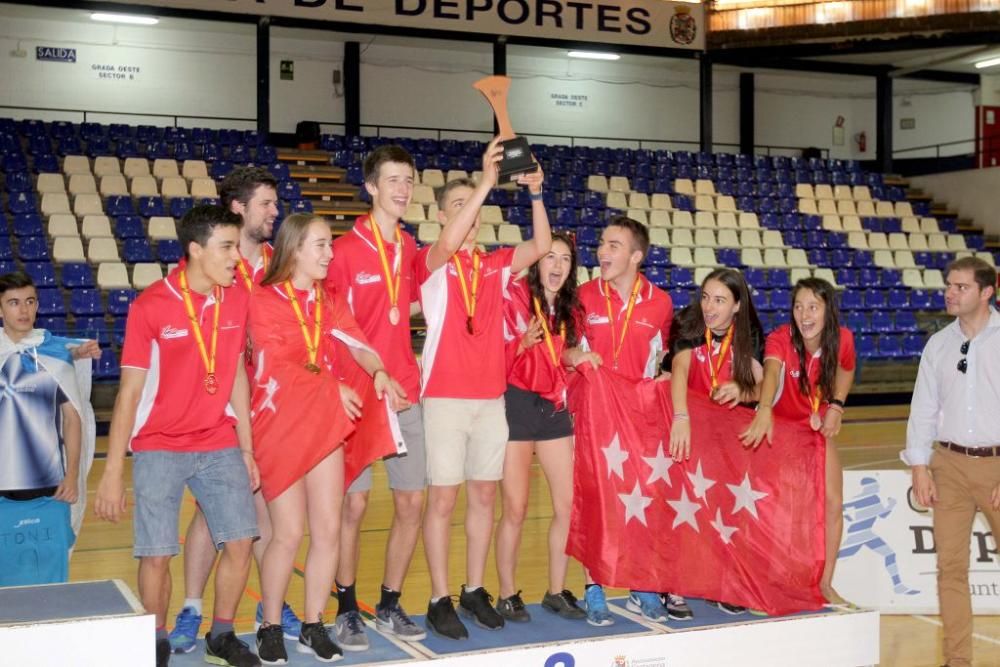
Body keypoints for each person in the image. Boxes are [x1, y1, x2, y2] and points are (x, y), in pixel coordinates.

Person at [94, 205, 262, 667]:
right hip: (159, 445)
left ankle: (222, 633)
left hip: (218, 439)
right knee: (156, 554)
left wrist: (246, 448)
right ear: (195, 249)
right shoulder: (150, 306)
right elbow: (128, 394)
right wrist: (112, 472)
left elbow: (236, 378)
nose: (235, 257)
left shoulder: (237, 298)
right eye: (226, 247)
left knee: (242, 540)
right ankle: (155, 639)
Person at [249, 213, 407, 664]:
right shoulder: (264, 301)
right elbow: (275, 362)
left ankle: (313, 623)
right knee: (288, 533)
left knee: (328, 531)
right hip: (280, 426)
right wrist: (329, 385)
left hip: (325, 424)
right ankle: (271, 624)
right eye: (320, 246)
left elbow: (356, 342)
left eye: (330, 246)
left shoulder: (328, 299)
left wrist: (377, 370)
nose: (329, 254)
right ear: (295, 249)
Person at [416, 137, 551, 640]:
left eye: (472, 206)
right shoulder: (429, 261)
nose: (468, 215)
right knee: (443, 502)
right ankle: (437, 596)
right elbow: (450, 243)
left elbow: (539, 248)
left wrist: (535, 193)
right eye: (456, 206)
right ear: (441, 217)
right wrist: (485, 183)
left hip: (490, 400)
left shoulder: (493, 266)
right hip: (446, 399)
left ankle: (474, 588)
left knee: (482, 499)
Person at [168, 167, 296, 653]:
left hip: (272, 403)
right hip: (221, 402)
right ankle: (192, 606)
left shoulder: (279, 261)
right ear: (239, 208)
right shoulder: (210, 263)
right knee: (210, 511)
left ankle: (271, 602)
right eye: (266, 203)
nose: (274, 211)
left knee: (263, 507)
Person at [326, 145, 428, 650]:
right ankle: (346, 607)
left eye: (408, 180)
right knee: (355, 504)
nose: (403, 190)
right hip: (359, 394)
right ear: (370, 187)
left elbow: (403, 303)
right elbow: (333, 328)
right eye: (392, 181)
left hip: (404, 389)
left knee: (411, 501)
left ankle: (389, 602)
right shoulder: (343, 251)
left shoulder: (409, 247)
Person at [565, 214, 676, 625]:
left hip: (640, 418)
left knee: (641, 496)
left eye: (613, 245)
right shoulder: (582, 296)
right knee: (595, 498)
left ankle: (641, 582)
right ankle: (594, 585)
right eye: (601, 244)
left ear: (636, 256)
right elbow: (563, 350)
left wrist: (666, 378)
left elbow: (659, 359)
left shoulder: (661, 302)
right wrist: (576, 357)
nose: (602, 251)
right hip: (593, 415)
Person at [903, 256, 999, 667]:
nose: (950, 292)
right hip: (950, 467)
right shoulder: (939, 344)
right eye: (949, 284)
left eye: (961, 286)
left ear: (987, 292)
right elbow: (923, 407)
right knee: (951, 570)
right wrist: (920, 465)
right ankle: (958, 660)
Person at [740, 276, 856, 606]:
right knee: (776, 508)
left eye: (813, 307)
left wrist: (837, 404)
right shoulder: (781, 338)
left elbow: (846, 369)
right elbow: (772, 372)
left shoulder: (843, 339)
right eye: (798, 306)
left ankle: (825, 583)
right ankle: (767, 583)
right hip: (779, 427)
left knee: (833, 502)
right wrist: (763, 409)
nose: (804, 315)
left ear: (828, 311)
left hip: (814, 429)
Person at [494, 232, 587, 623]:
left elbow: (559, 356)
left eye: (565, 259)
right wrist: (521, 342)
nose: (557, 265)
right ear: (536, 261)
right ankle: (506, 594)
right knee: (515, 509)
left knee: (567, 505)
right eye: (550, 256)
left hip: (553, 408)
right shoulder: (512, 296)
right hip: (515, 402)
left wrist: (575, 356)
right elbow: (490, 355)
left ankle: (555, 590)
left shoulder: (572, 310)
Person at [667, 267, 764, 615]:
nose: (710, 307)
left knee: (724, 505)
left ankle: (720, 583)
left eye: (720, 300)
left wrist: (744, 388)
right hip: (689, 424)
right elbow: (678, 370)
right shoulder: (689, 321)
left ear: (737, 306)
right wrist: (680, 417)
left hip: (728, 436)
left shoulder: (750, 331)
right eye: (706, 297)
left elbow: (761, 385)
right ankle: (673, 585)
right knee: (684, 505)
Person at [0, 271, 99, 584]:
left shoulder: (52, 354)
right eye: (13, 303)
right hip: (2, 496)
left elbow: (73, 418)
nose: (23, 310)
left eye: (30, 301)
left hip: (50, 492)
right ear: (0, 309)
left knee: (53, 590)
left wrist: (71, 477)